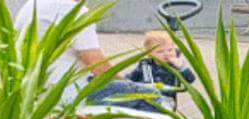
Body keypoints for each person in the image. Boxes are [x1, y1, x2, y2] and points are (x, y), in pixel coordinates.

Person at [13, 0, 159, 111]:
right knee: (151, 95)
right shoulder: (73, 12)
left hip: (32, 93)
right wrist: (129, 82)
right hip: (71, 94)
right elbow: (99, 67)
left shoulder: (31, 5)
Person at [125, 31, 196, 113]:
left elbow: (190, 79)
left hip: (166, 100)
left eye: (170, 50)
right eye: (160, 52)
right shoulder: (145, 65)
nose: (166, 54)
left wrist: (181, 67)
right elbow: (130, 79)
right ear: (149, 54)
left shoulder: (176, 66)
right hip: (145, 98)